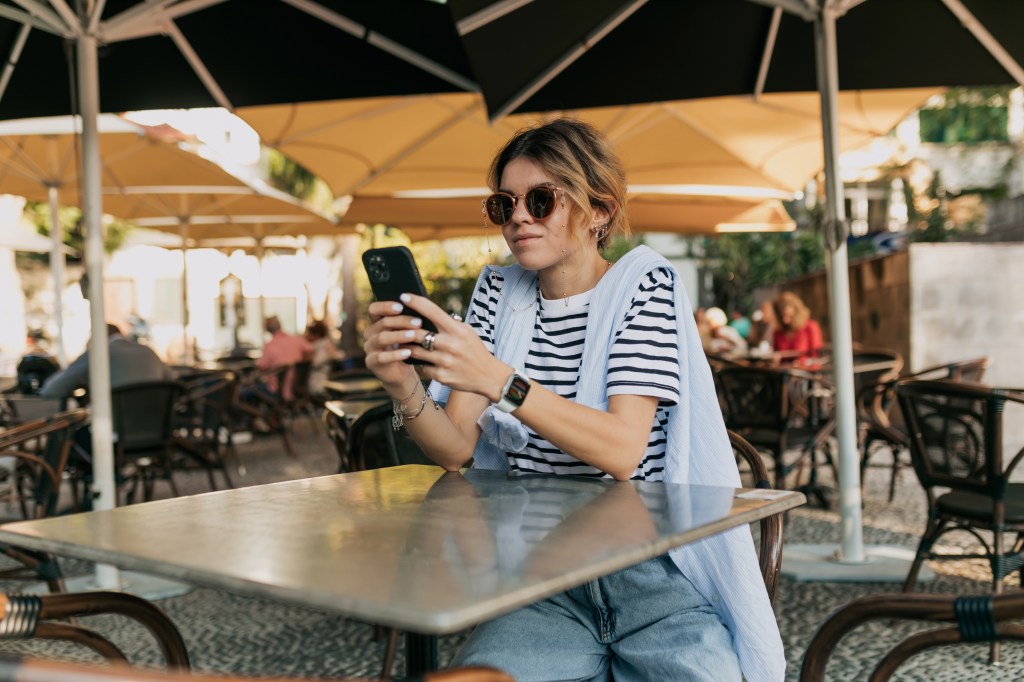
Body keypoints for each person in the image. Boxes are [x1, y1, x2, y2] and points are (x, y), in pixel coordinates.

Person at [363, 119, 783, 681]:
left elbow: (621, 450)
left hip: (650, 575)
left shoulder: (644, 285)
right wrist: (401, 383)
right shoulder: (497, 291)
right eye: (503, 204)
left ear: (600, 211)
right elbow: (455, 449)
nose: (518, 217)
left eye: (541, 200)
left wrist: (500, 380)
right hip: (543, 577)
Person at [40, 323, 171, 400]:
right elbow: (173, 382)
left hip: (113, 433)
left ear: (96, 338)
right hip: (157, 432)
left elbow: (51, 389)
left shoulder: (99, 352)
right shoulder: (148, 351)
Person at [257, 315, 312, 401]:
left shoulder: (270, 345)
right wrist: (299, 362)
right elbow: (311, 351)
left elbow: (262, 366)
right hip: (297, 384)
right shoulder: (297, 339)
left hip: (277, 387)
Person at [772, 291, 824, 364]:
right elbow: (777, 354)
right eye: (781, 317)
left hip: (806, 372)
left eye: (789, 316)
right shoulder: (778, 332)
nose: (785, 320)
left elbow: (817, 355)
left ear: (797, 313)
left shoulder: (810, 327)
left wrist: (802, 361)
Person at [304, 320, 340, 397]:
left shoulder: (319, 346)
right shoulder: (327, 344)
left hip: (318, 382)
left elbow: (316, 363)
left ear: (316, 335)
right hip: (325, 380)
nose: (307, 335)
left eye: (309, 333)